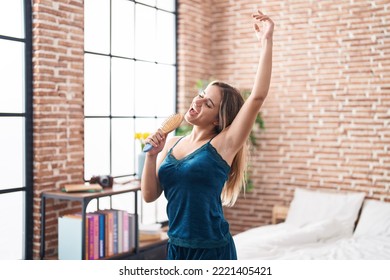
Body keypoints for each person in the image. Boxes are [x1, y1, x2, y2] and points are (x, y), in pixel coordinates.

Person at [141, 10, 274, 260]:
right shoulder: (171, 143)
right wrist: (151, 157)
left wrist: (266, 40)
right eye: (201, 94)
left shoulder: (223, 145)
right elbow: (149, 196)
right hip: (176, 247)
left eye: (208, 104)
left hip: (212, 250)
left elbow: (257, 96)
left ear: (218, 120)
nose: (198, 101)